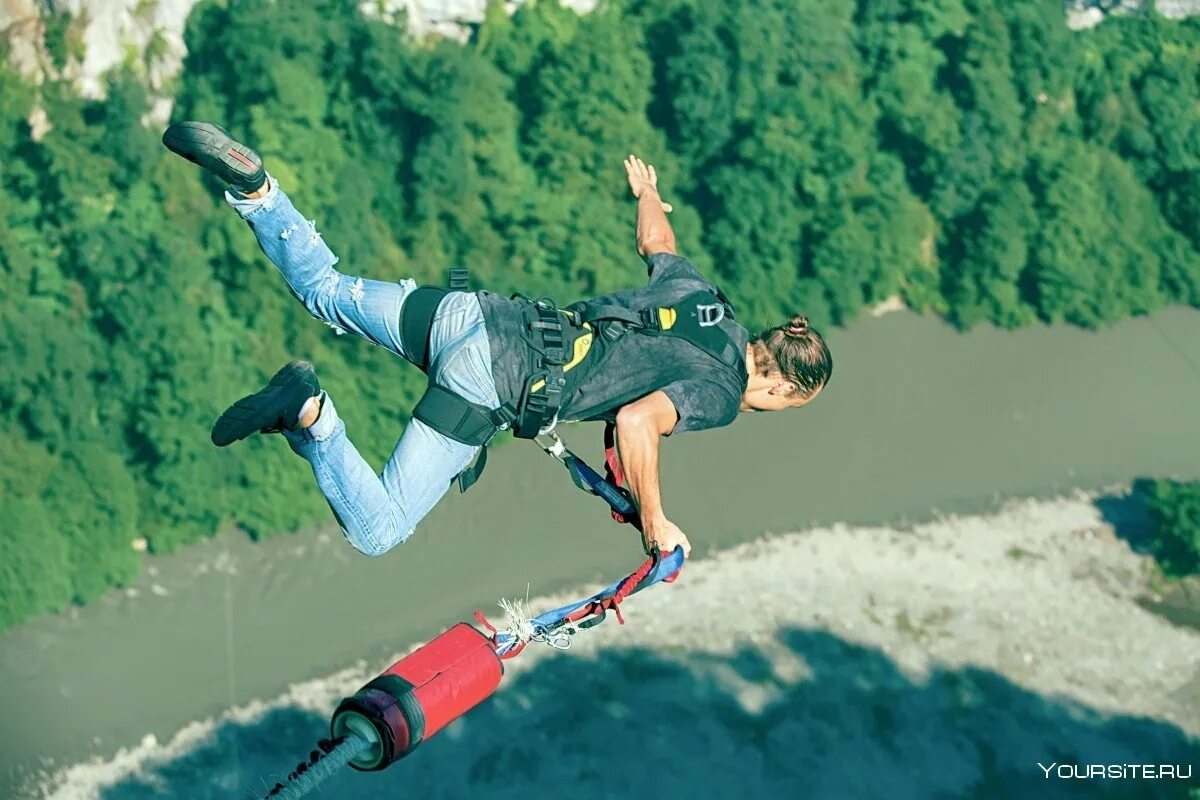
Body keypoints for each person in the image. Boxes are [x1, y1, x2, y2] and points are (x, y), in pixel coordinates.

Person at [162, 121, 832, 560]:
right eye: (786, 405)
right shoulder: (719, 394)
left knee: (324, 290)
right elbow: (637, 421)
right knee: (378, 530)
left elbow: (657, 243)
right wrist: (656, 523)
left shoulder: (705, 298)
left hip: (477, 315)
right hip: (489, 385)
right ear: (779, 383)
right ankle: (311, 413)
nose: (769, 408)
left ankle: (259, 194)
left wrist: (648, 192)